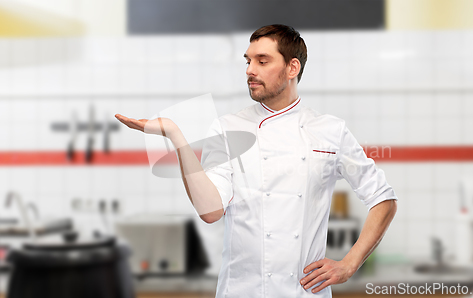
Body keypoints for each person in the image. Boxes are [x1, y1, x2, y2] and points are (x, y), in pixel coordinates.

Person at [115, 24, 398, 298]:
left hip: (302, 292)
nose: (250, 70)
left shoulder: (330, 131)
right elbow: (211, 211)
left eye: (262, 61)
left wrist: (349, 264)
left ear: (292, 68)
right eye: (248, 61)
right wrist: (176, 137)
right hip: (241, 292)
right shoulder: (227, 128)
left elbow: (383, 199)